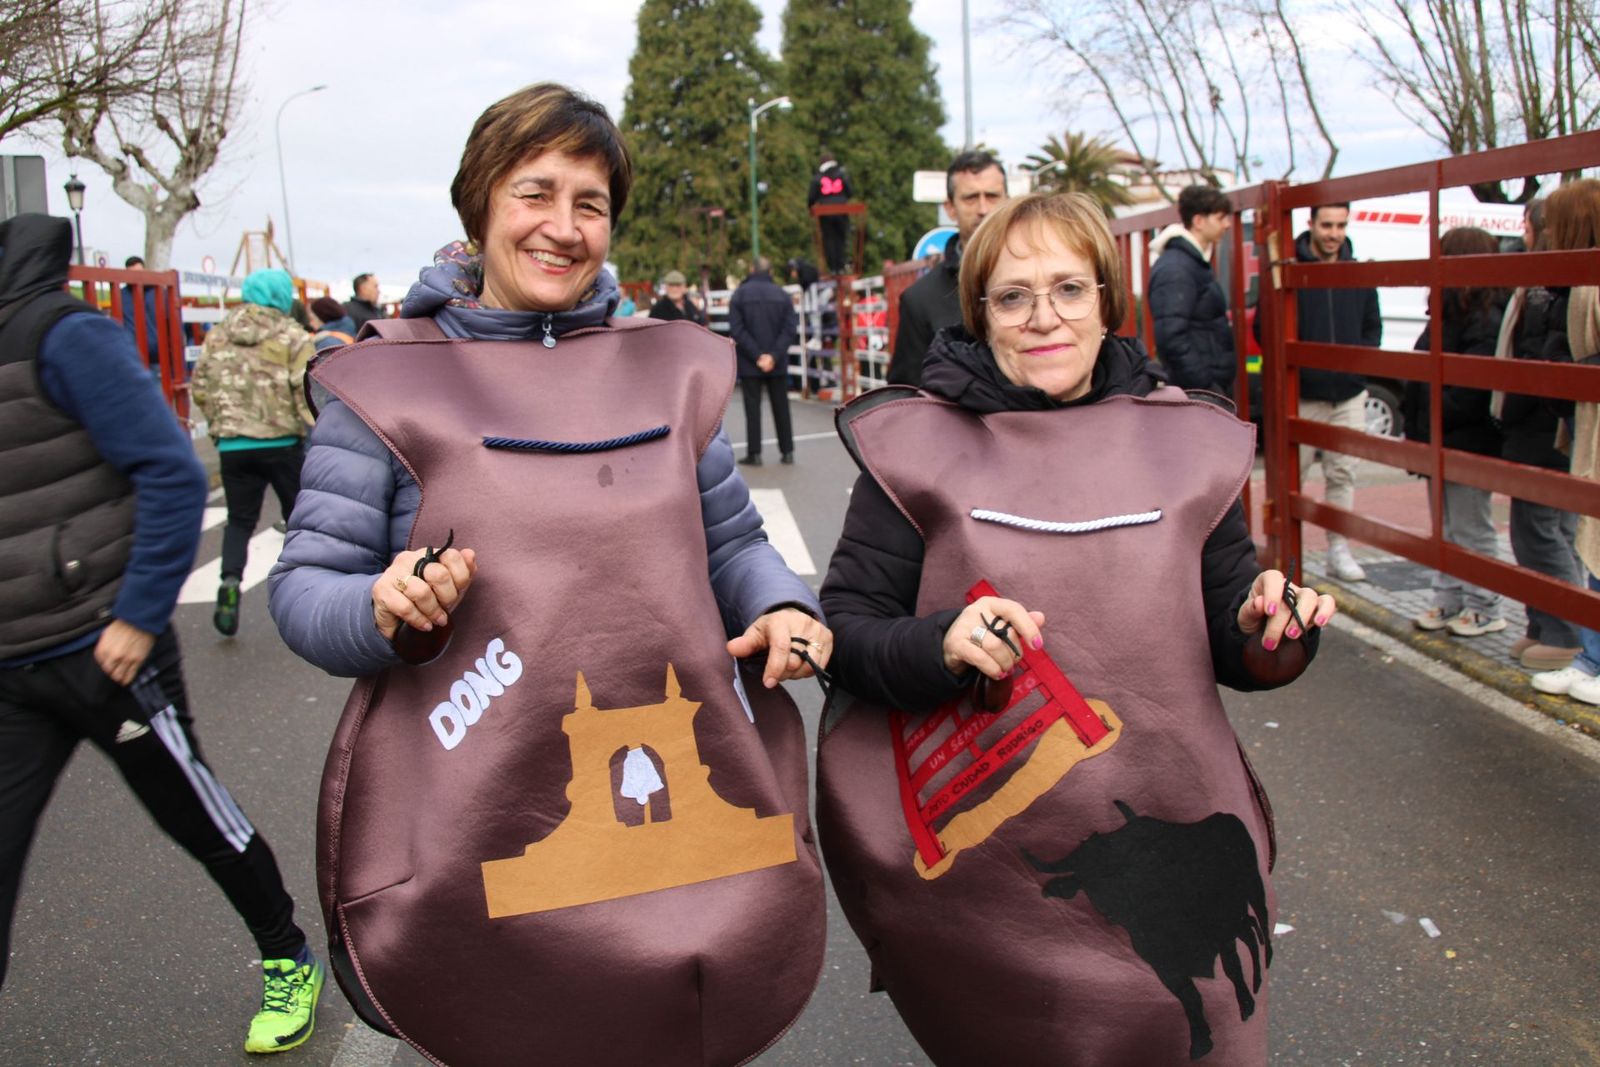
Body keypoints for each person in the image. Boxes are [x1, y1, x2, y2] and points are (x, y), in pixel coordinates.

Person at [267, 82, 829, 1065]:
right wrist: (379, 605)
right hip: (472, 811)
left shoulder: (664, 372)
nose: (563, 227)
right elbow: (307, 583)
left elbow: (733, 542)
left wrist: (782, 604)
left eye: (591, 203)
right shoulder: (385, 381)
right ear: (480, 200)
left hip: (675, 814)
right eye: (536, 192)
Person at [815, 192, 1334, 1067]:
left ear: (1107, 300)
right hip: (1000, 874)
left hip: (1176, 838)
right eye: (1013, 296)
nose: (1044, 317)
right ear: (980, 313)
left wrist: (1271, 627)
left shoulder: (1184, 441)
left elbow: (1236, 635)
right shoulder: (917, 448)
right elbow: (849, 630)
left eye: (1068, 289)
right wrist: (939, 643)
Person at [0, 214, 323, 1055]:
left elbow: (174, 468)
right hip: (10, 662)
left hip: (105, 649)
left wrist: (140, 616)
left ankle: (288, 954)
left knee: (197, 818)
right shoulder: (285, 330)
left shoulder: (62, 335)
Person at [190, 269, 315, 637]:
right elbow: (305, 390)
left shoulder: (218, 334)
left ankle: (229, 582)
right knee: (302, 522)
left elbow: (200, 388)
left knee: (239, 521)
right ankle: (306, 597)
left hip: (232, 446)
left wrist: (220, 425)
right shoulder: (291, 334)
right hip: (282, 444)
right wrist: (316, 428)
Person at [1401, 227, 1509, 637]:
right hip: (1438, 439)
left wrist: (1431, 418)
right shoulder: (1448, 315)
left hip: (1466, 442)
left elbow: (1471, 393)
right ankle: (1448, 598)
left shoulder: (1485, 320)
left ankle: (1485, 606)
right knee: (1444, 526)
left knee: (1470, 526)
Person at [1493, 198, 1583, 672]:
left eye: (1526, 224)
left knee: (1541, 532)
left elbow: (1540, 359)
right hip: (1542, 426)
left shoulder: (1548, 289)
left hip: (1541, 430)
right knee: (1548, 531)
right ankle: (1543, 624)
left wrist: (1514, 406)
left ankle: (1567, 633)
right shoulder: (1547, 285)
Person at [1524, 179, 1600, 703]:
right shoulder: (1575, 285)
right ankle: (1592, 658)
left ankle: (1595, 662)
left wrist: (1566, 374)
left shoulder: (1588, 284)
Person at [1293, 202, 1382, 582]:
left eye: (1341, 225)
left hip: (1348, 395)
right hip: (1303, 395)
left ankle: (1338, 550)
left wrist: (1356, 373)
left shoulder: (1358, 274)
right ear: (1310, 223)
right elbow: (1268, 329)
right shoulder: (1291, 273)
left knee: (1343, 473)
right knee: (1291, 475)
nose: (1334, 233)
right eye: (1327, 224)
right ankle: (1288, 554)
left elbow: (1371, 327)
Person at [889, 150, 1008, 387]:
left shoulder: (1043, 279)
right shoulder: (920, 300)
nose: (983, 208)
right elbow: (907, 397)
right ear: (950, 208)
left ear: (1007, 200)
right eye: (971, 198)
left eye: (992, 196)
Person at [1148, 183, 1236, 395]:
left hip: (1201, 390)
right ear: (1198, 221)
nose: (1228, 224)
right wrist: (1205, 386)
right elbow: (1171, 337)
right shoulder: (1177, 267)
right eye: (1220, 217)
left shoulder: (1190, 262)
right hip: (1197, 393)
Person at [728, 255, 798, 466]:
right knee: (781, 407)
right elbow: (789, 329)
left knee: (752, 409)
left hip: (751, 362)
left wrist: (757, 355)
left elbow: (737, 329)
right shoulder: (783, 296)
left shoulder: (739, 295)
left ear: (751, 269)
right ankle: (787, 451)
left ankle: (754, 452)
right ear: (771, 272)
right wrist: (774, 355)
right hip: (777, 362)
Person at [808, 151, 854, 274]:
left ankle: (833, 267)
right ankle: (841, 265)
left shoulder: (818, 177)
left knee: (829, 239)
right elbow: (850, 192)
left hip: (825, 212)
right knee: (841, 238)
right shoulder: (842, 174)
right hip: (841, 210)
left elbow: (811, 197)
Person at [119, 254, 161, 364]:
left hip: (159, 356)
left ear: (144, 271)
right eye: (131, 273)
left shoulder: (158, 293)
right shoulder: (120, 296)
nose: (135, 277)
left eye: (138, 272)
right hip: (133, 356)